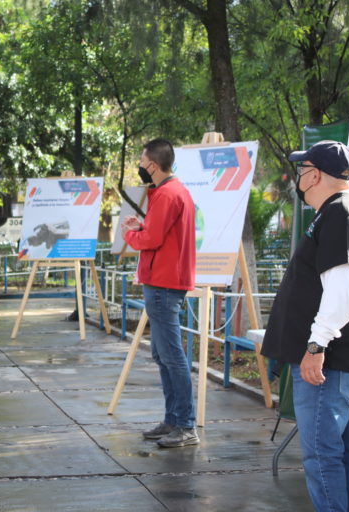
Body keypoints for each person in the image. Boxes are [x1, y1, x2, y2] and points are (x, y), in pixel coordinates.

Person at [261, 140, 349, 512]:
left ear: (313, 174)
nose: (297, 178)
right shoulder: (341, 212)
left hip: (327, 362)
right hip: (333, 360)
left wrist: (316, 347)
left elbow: (340, 292)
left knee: (322, 457)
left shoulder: (341, 214)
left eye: (301, 170)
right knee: (338, 452)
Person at [122, 138, 197, 448]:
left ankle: (185, 424)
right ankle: (173, 419)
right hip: (165, 281)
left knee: (171, 356)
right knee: (163, 354)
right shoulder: (172, 192)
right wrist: (143, 226)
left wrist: (130, 233)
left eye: (142, 160)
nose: (140, 165)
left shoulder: (167, 194)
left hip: (165, 283)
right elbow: (159, 233)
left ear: (153, 164)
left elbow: (151, 239)